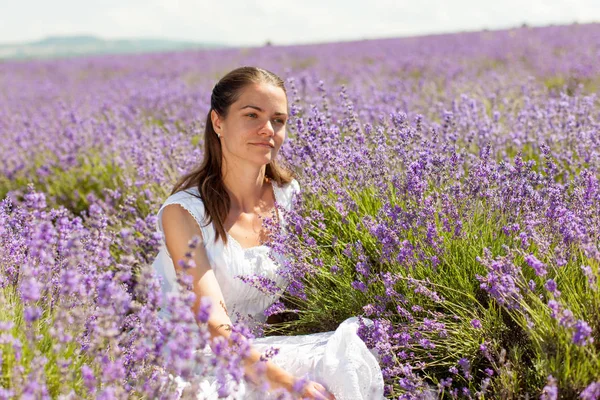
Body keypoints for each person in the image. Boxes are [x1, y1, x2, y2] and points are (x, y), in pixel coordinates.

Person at [151, 66, 384, 399]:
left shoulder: (288, 197)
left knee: (353, 356)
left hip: (260, 349)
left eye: (279, 120)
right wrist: (293, 384)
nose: (268, 130)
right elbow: (215, 327)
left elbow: (296, 303)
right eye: (252, 115)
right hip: (193, 357)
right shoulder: (184, 212)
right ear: (218, 122)